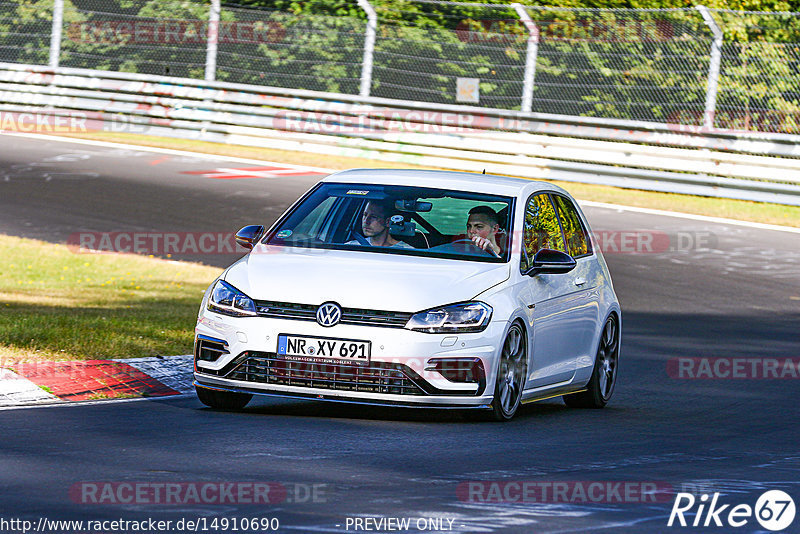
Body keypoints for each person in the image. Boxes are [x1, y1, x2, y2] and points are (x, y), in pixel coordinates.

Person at [347, 199, 413, 248]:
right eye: (365, 215)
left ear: (388, 222)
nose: (366, 221)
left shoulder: (406, 251)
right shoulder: (350, 247)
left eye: (373, 217)